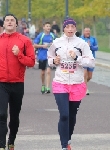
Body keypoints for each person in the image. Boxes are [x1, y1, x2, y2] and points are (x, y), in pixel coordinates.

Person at [0, 13, 35, 150]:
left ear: (16, 24)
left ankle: (11, 141)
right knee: (2, 114)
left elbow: (31, 62)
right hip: (0, 82)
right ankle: (1, 146)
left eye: (12, 20)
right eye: (7, 20)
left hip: (17, 83)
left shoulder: (24, 41)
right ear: (3, 24)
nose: (9, 22)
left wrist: (19, 54)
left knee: (14, 117)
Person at [47, 18, 95, 150]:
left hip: (76, 83)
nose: (70, 29)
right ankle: (63, 146)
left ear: (75, 28)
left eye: (72, 27)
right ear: (63, 29)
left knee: (72, 115)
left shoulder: (82, 44)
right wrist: (54, 61)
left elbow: (91, 62)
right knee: (64, 115)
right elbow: (49, 57)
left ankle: (67, 139)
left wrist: (77, 58)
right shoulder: (56, 43)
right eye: (67, 27)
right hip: (60, 82)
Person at [34, 22, 55, 94]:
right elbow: (35, 45)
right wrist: (43, 46)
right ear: (44, 27)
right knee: (43, 72)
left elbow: (57, 44)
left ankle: (48, 87)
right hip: (42, 56)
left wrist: (53, 45)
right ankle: (43, 84)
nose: (48, 28)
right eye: (47, 26)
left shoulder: (52, 35)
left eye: (49, 26)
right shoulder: (41, 35)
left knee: (48, 71)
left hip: (50, 56)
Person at [81, 27, 98, 95]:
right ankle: (85, 89)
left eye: (89, 31)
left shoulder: (93, 39)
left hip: (91, 59)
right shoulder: (80, 39)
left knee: (89, 77)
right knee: (84, 74)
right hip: (84, 59)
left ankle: (82, 84)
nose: (88, 32)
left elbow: (96, 48)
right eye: (86, 31)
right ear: (84, 32)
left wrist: (91, 46)